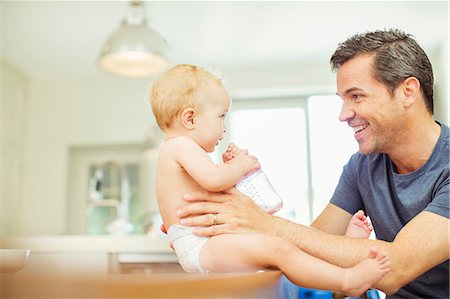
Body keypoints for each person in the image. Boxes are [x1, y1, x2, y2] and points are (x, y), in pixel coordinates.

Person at [174, 29, 450, 299]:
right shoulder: (363, 166)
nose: (343, 115)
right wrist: (218, 228)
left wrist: (262, 224)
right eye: (342, 100)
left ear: (408, 92)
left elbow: (397, 268)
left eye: (356, 96)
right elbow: (311, 245)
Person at [150, 64, 390, 297]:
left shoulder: (183, 150)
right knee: (278, 249)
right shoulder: (179, 145)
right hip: (201, 248)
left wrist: (230, 171)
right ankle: (346, 280)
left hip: (207, 243)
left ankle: (344, 261)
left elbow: (219, 192)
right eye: (221, 117)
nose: (223, 128)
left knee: (279, 246)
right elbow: (214, 181)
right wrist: (238, 166)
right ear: (190, 119)